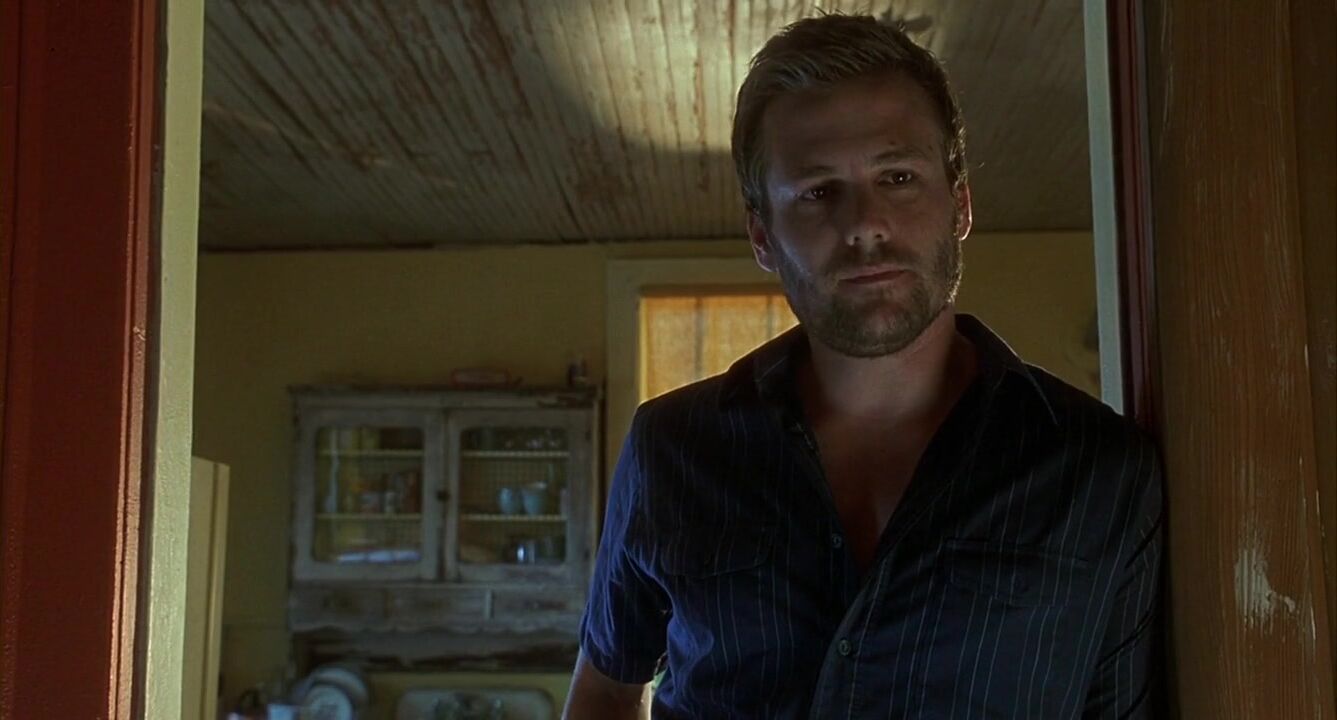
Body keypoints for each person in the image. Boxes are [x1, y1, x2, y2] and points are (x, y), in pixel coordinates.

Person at [563, 12, 1163, 719]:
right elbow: (605, 688)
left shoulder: (1099, 471)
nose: (864, 224)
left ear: (959, 203)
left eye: (898, 176)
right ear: (762, 235)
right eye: (818, 191)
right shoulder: (672, 448)